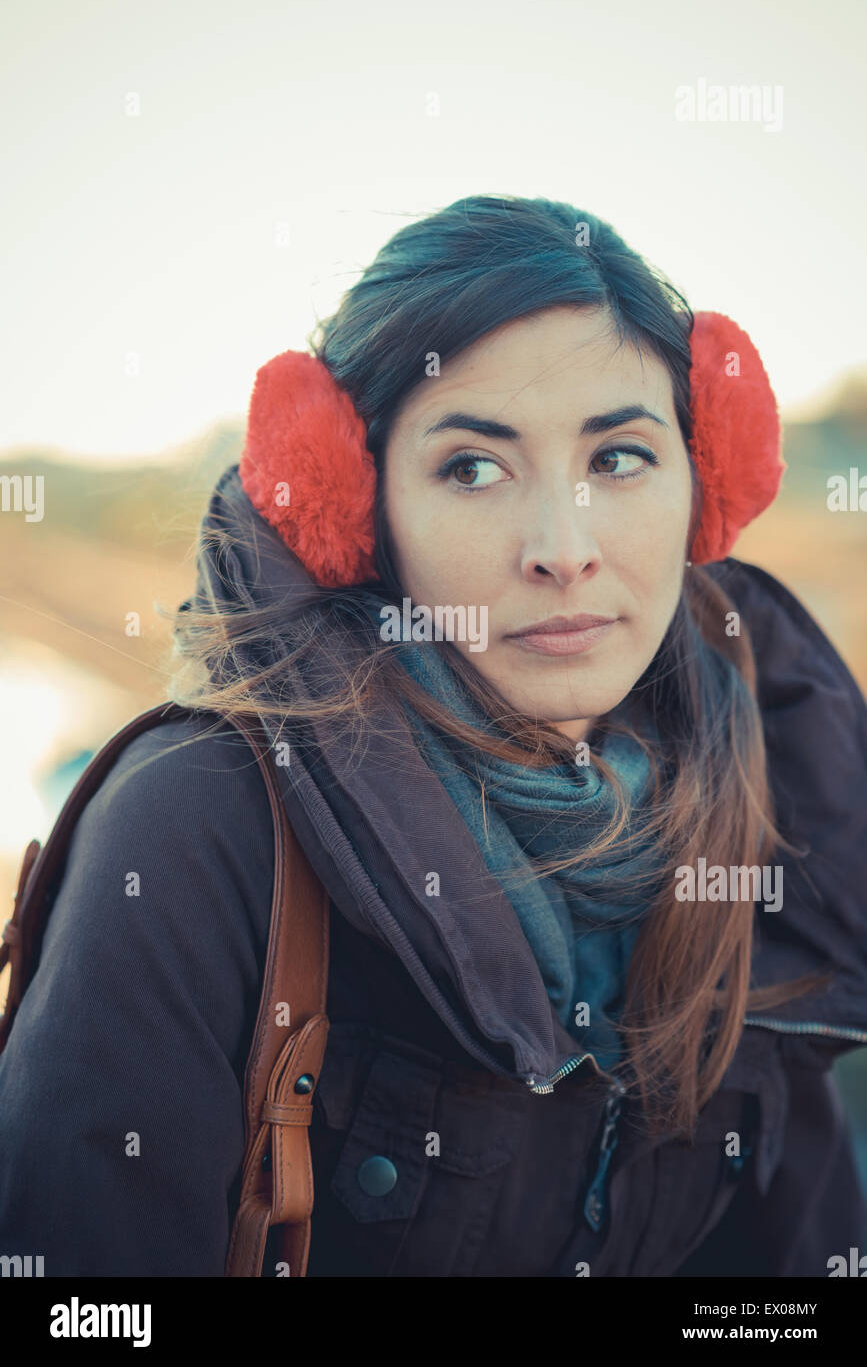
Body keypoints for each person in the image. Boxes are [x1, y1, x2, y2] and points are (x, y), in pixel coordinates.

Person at [1, 193, 865, 1277]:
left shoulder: (770, 803)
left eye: (618, 459)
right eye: (473, 467)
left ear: (706, 484)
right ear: (355, 514)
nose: (563, 547)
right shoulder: (196, 821)